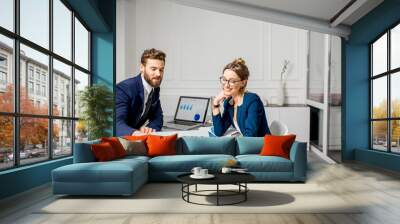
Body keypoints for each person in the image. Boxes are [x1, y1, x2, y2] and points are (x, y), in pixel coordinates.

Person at [212, 58, 271, 137]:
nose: (226, 85)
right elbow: (219, 131)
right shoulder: (229, 102)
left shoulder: (253, 101)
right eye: (224, 79)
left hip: (260, 146)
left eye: (232, 81)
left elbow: (250, 136)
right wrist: (215, 103)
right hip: (246, 145)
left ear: (243, 83)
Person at [116, 48, 165, 136]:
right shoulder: (125, 88)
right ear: (142, 68)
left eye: (161, 70)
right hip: (118, 139)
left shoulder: (155, 89)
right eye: (153, 69)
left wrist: (149, 129)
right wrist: (136, 133)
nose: (158, 74)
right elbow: (116, 124)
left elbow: (158, 117)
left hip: (137, 138)